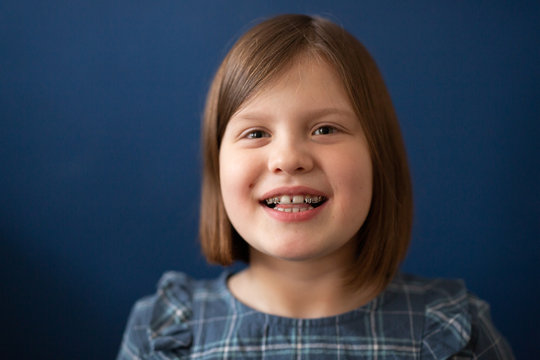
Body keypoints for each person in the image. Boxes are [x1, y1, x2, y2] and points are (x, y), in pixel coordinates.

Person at [117, 14, 514, 359]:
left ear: (380, 157)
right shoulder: (164, 335)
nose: (288, 158)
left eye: (325, 128)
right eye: (256, 133)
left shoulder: (453, 335)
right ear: (216, 165)